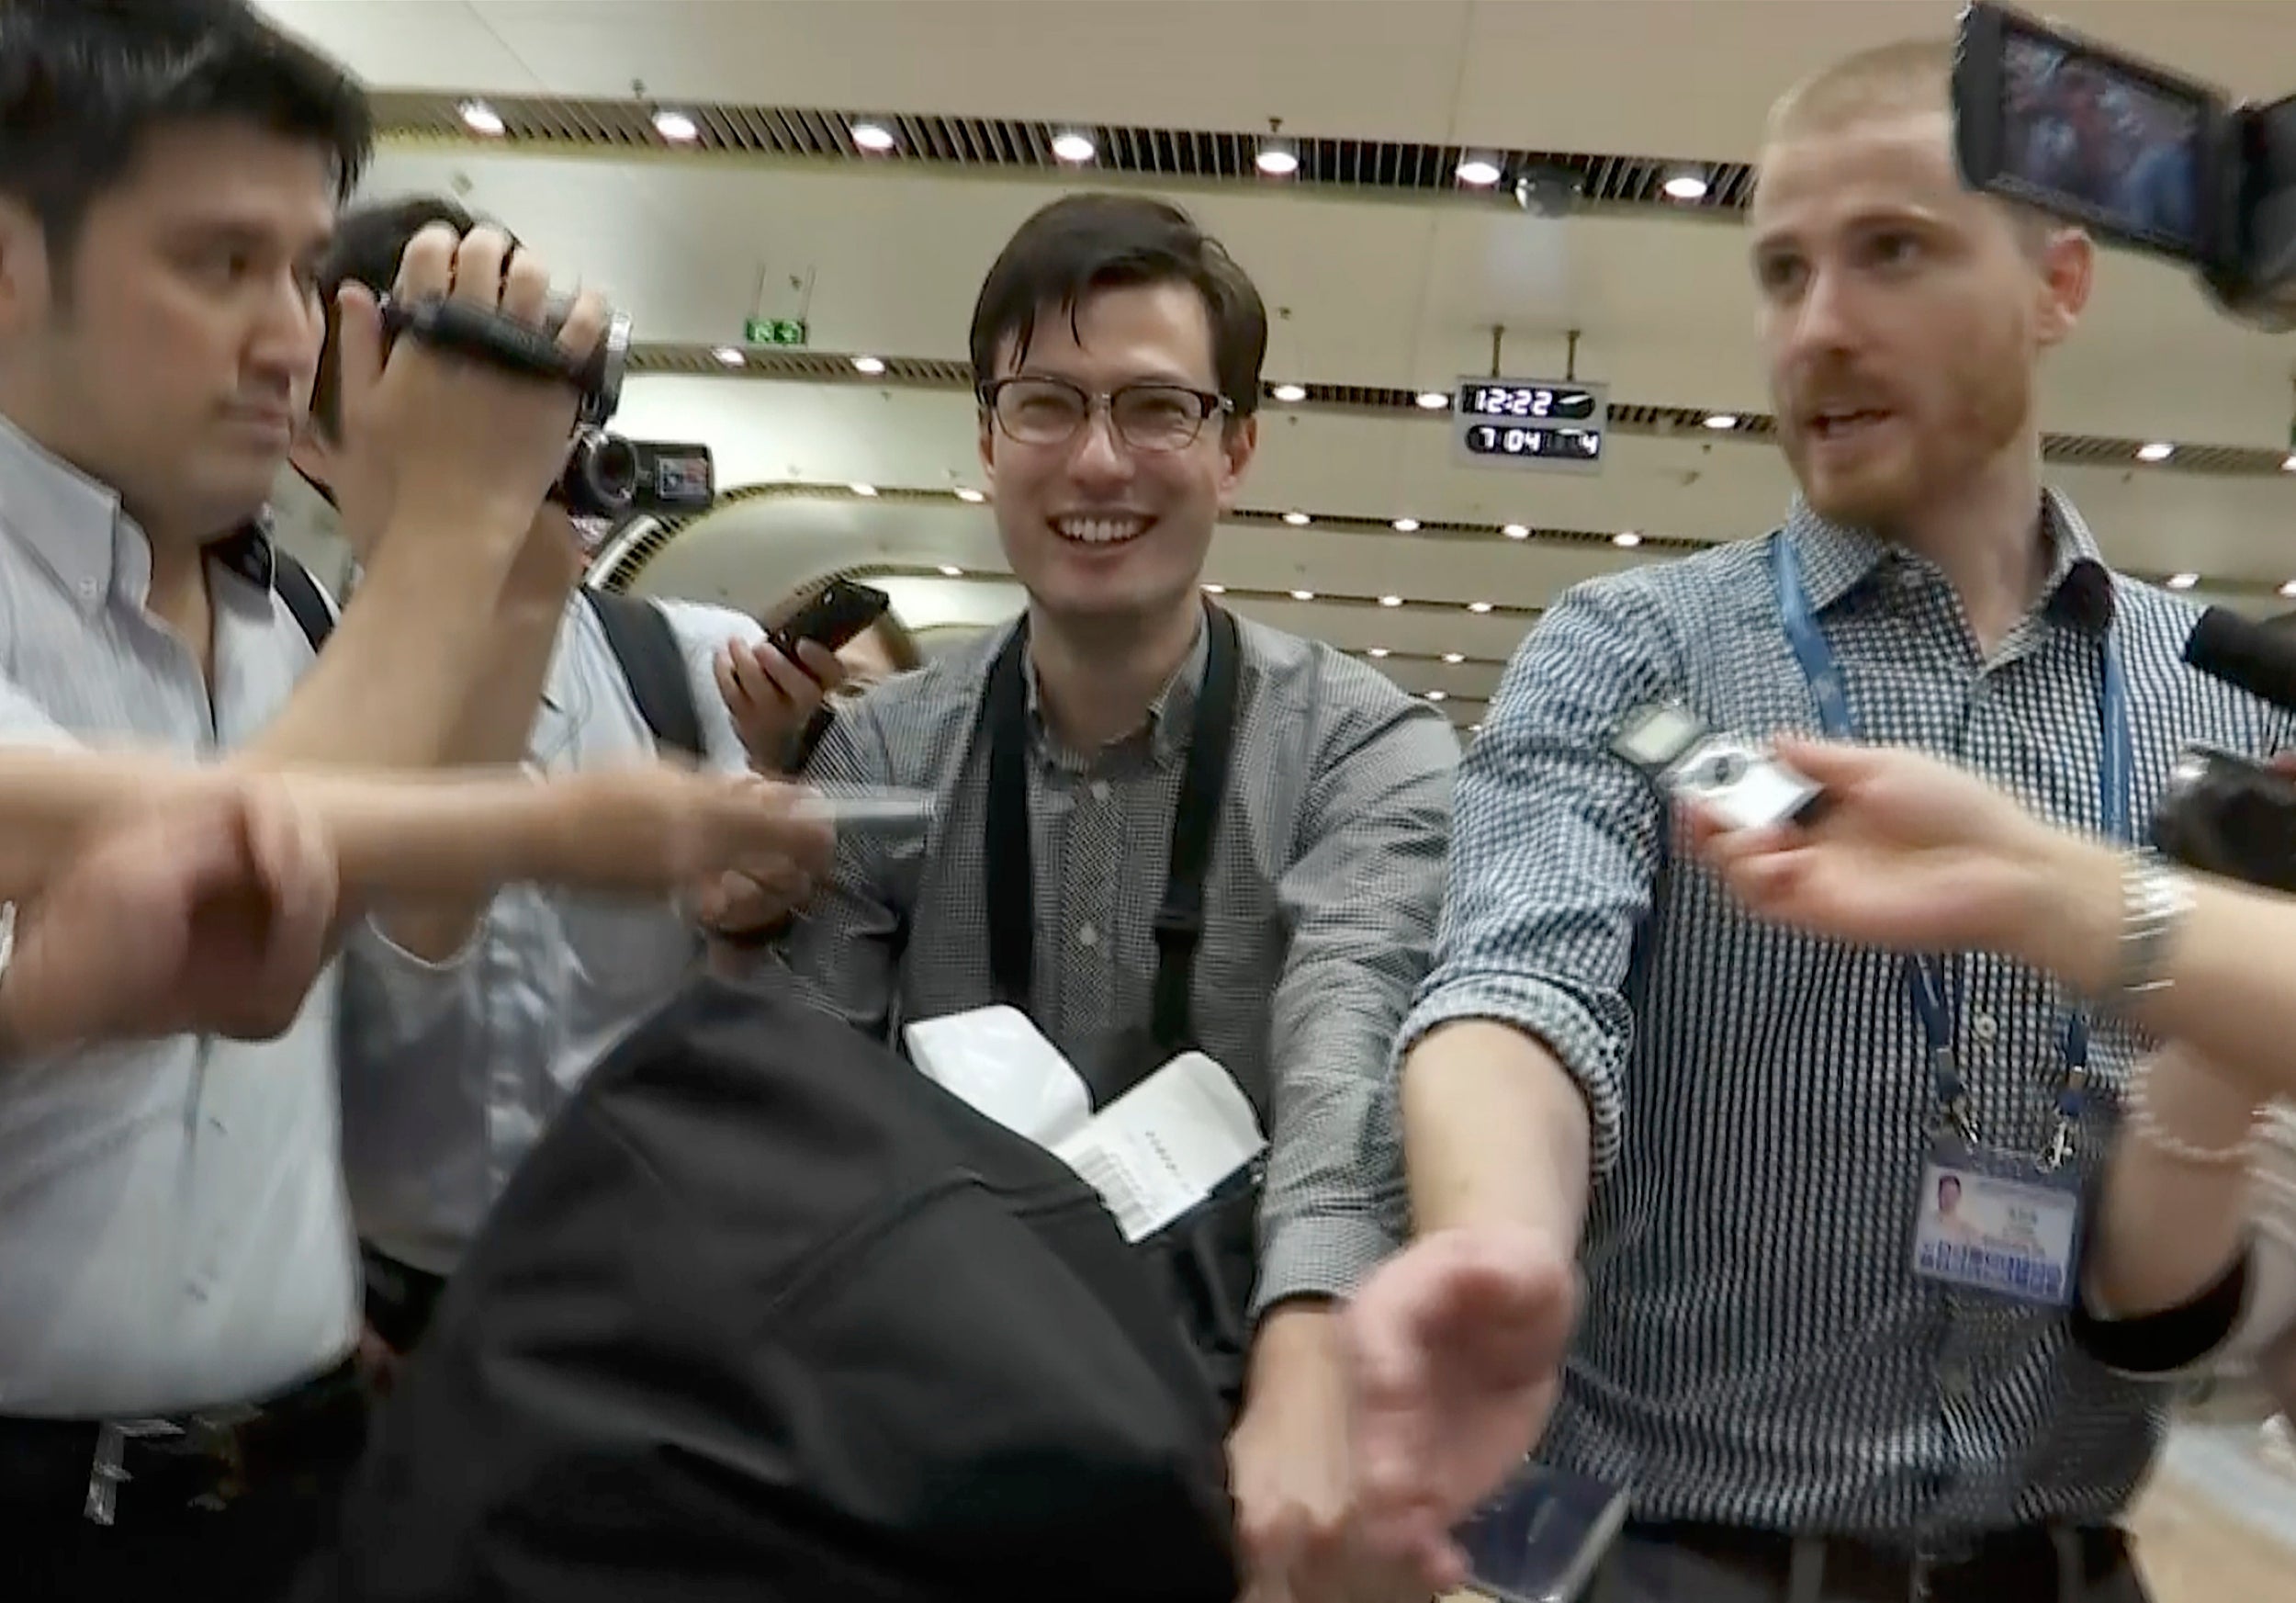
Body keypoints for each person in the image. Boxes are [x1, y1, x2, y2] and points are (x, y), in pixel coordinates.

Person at [1335, 38, 2295, 1603]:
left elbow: (2192, 1219)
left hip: (2057, 1562)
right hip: (1674, 1562)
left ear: (2061, 285)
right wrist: (1493, 1243)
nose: (1820, 328)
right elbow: (1520, 982)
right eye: (1781, 272)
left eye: (1893, 253)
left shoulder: (2219, 708)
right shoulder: (1644, 657)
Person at [0, 4, 821, 1594]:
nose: (286, 341)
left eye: (303, 279)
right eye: (215, 264)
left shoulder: (257, 611)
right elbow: (223, 905)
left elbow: (396, 935)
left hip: (295, 1468)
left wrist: (503, 579)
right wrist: (441, 529)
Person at [780, 191, 1458, 1590]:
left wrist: (1313, 1340)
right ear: (984, 439)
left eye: (1158, 409)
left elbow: (1349, 1050)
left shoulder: (1360, 746)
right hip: (940, 1412)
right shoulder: (886, 753)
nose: (1100, 461)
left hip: (1242, 1399)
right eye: (1046, 405)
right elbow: (811, 1108)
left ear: (1236, 448)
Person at [294, 195, 840, 1359]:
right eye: (433, 401)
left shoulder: (686, 668)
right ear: (310, 433)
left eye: (542, 404)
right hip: (369, 1312)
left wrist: (761, 910)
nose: (508, 445)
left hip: (649, 1296)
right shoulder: (279, 679)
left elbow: (799, 1019)